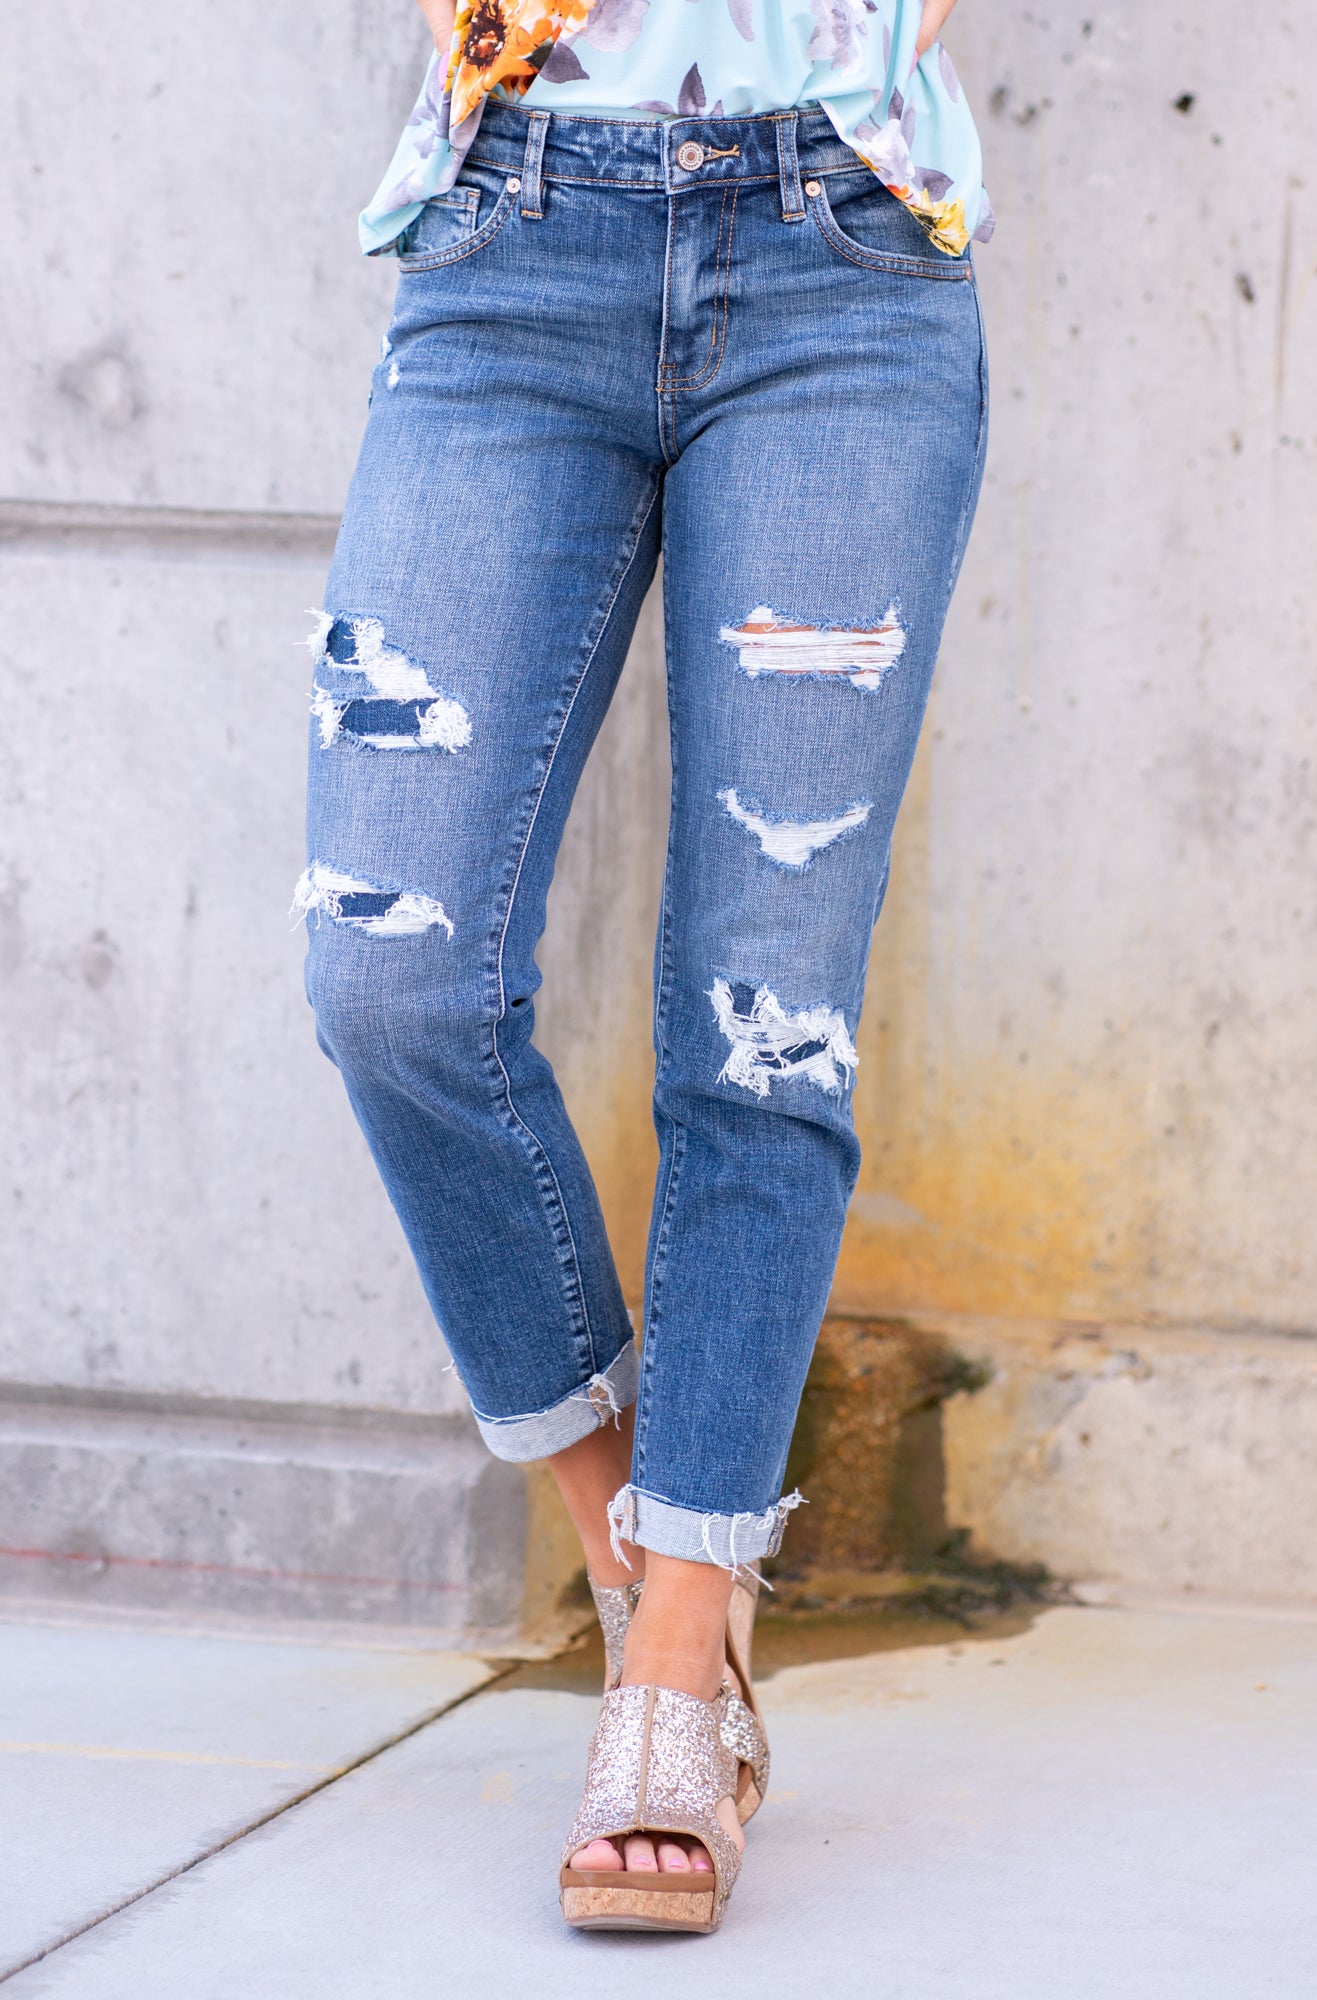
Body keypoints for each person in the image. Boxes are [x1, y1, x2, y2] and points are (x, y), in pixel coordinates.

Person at [298, 0, 987, 1935]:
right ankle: (636, 1537)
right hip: (506, 242)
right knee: (387, 976)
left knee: (764, 1021)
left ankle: (681, 1656)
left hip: (843, 248)